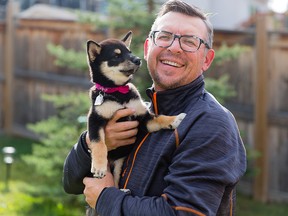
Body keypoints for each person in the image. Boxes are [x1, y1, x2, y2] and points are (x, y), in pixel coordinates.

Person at [63, 0, 247, 215]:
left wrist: (105, 198)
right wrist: (92, 144)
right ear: (148, 47)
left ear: (207, 59)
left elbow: (182, 213)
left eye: (189, 41)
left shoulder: (210, 123)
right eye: (164, 36)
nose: (174, 47)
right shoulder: (136, 113)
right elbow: (71, 183)